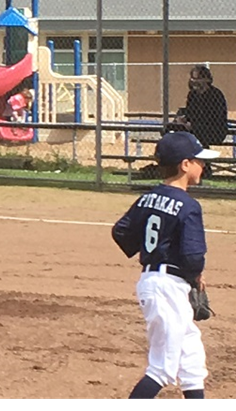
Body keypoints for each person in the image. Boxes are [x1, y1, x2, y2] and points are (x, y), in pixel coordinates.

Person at [112, 130, 218, 399]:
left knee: (192, 360)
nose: (203, 166)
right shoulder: (189, 205)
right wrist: (195, 276)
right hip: (168, 288)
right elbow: (194, 256)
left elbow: (121, 231)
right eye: (198, 161)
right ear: (185, 165)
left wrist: (150, 252)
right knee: (162, 369)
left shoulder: (148, 197)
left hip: (156, 282)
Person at [174, 65, 228, 178]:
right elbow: (190, 112)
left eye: (197, 79)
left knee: (198, 134)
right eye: (193, 79)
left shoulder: (215, 94)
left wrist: (193, 125)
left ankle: (204, 169)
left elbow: (215, 118)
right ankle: (174, 167)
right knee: (171, 129)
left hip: (215, 130)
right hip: (195, 128)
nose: (194, 82)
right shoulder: (192, 95)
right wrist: (182, 119)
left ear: (206, 79)